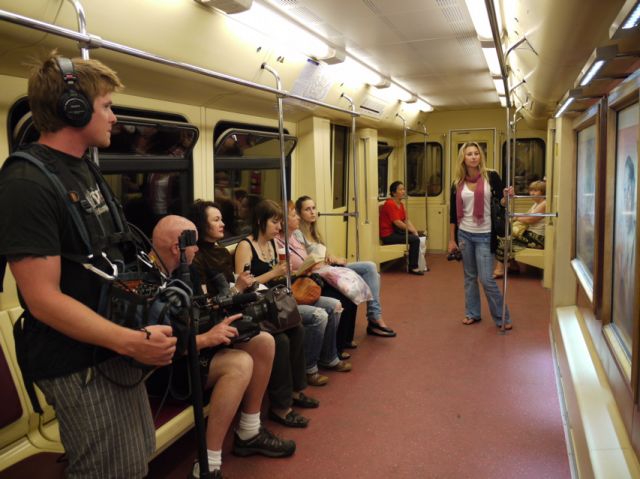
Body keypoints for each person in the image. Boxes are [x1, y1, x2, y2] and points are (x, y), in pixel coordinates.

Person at [0, 52, 177, 478]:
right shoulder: (26, 184)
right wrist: (129, 342)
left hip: (111, 345)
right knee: (106, 471)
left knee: (135, 457)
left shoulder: (83, 171)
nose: (115, 117)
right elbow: (43, 300)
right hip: (75, 361)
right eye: (107, 105)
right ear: (72, 108)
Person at [150, 215, 295, 478]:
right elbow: (157, 345)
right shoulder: (146, 282)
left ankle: (249, 431)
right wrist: (206, 339)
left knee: (263, 341)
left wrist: (220, 325)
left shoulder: (189, 272)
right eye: (193, 244)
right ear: (176, 248)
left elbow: (196, 315)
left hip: (194, 348)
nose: (197, 250)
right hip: (165, 369)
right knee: (240, 363)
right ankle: (208, 464)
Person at [233, 199, 320, 428]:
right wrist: (274, 273)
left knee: (298, 329)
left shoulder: (273, 245)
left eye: (280, 223)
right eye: (274, 222)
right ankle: (281, 407)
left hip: (274, 306)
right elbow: (244, 284)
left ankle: (296, 390)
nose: (278, 228)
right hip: (254, 309)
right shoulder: (245, 246)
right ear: (261, 221)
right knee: (280, 341)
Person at [296, 195, 397, 339]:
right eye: (307, 209)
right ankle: (375, 319)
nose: (312, 212)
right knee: (371, 271)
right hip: (320, 272)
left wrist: (335, 258)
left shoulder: (315, 232)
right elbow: (305, 260)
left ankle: (374, 316)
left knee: (370, 267)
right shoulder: (299, 234)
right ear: (299, 214)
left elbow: (326, 254)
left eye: (313, 208)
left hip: (330, 266)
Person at [276, 201, 352, 385]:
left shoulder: (295, 237)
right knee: (320, 315)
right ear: (283, 221)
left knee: (335, 305)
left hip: (304, 282)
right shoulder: (277, 242)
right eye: (294, 215)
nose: (298, 218)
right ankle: (310, 368)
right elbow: (282, 272)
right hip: (290, 290)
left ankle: (329, 356)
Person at [448, 142, 512, 329]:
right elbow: (453, 214)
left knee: (486, 279)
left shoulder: (491, 176)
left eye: (477, 153)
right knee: (469, 277)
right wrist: (452, 239)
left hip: (485, 234)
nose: (474, 156)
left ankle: (502, 317)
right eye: (469, 154)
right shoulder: (457, 183)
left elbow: (501, 203)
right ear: (464, 158)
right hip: (464, 234)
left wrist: (507, 196)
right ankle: (472, 313)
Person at [494, 180, 546, 277]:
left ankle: (500, 270)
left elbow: (531, 219)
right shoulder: (537, 203)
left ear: (543, 192)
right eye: (531, 191)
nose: (532, 193)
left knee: (505, 241)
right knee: (507, 236)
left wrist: (516, 217)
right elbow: (527, 216)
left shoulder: (544, 204)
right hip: (531, 234)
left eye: (536, 191)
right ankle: (514, 266)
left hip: (538, 238)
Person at [379, 180, 424, 275]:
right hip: (388, 235)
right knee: (415, 240)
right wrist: (411, 230)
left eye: (404, 189)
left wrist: (414, 230)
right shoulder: (390, 204)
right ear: (394, 193)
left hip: (396, 232)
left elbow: (406, 220)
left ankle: (421, 264)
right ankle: (413, 267)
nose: (403, 191)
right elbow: (397, 222)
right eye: (400, 190)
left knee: (419, 235)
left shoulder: (401, 204)